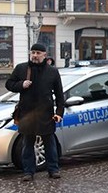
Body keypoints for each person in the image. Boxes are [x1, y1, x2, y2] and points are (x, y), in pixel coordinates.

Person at [5, 43, 64, 181]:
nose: (35, 56)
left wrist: (59, 113)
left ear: (44, 55)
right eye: (33, 53)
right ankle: (28, 172)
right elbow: (9, 84)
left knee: (50, 144)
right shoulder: (21, 68)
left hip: (46, 113)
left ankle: (53, 169)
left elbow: (60, 95)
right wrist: (21, 85)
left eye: (38, 53)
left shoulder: (52, 71)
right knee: (27, 144)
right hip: (27, 113)